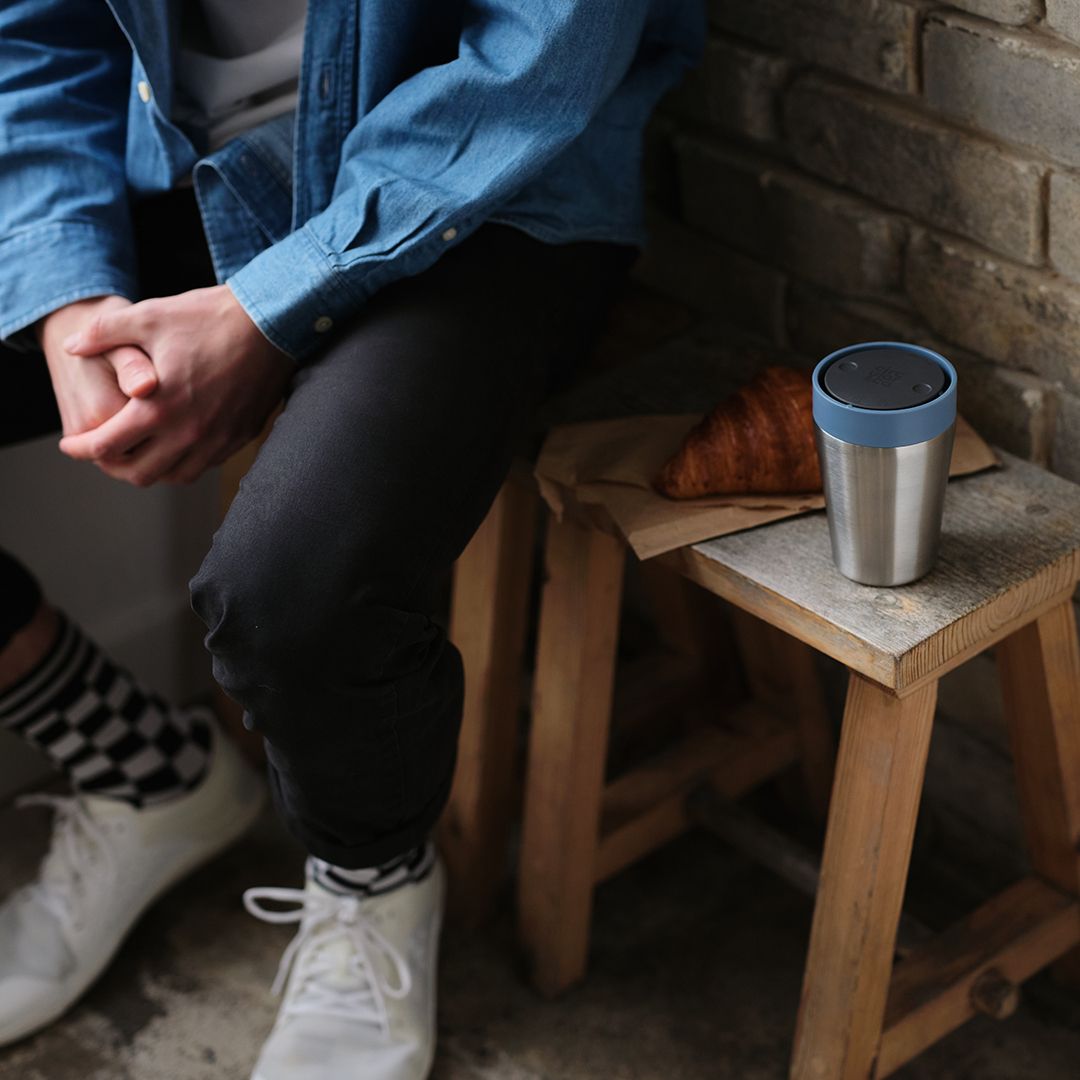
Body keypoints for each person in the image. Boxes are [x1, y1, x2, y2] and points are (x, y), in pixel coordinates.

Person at [0, 1, 703, 1076]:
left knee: (292, 592)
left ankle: (373, 882)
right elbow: (40, 26)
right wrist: (62, 293)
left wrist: (264, 315)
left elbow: (540, 64)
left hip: (497, 190)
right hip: (198, 166)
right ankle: (144, 772)